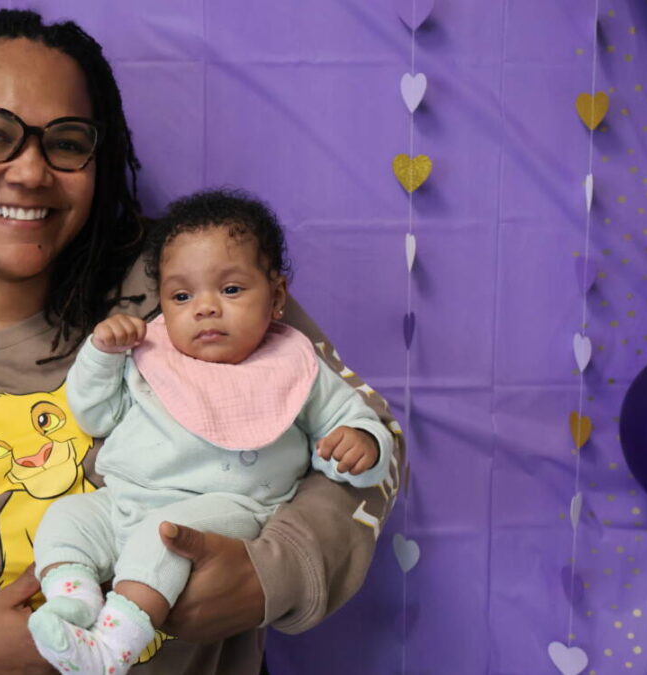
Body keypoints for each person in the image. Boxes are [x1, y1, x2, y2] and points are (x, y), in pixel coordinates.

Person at [0, 9, 405, 675]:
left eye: (65, 140)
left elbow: (370, 438)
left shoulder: (186, 285)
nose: (29, 172)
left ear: (97, 157)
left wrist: (270, 573)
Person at [27, 189, 394, 674]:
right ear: (161, 303)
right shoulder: (149, 353)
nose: (205, 308)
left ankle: (111, 647)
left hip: (225, 510)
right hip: (123, 501)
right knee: (67, 518)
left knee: (160, 543)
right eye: (182, 296)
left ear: (277, 296)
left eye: (231, 289)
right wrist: (102, 354)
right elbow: (95, 416)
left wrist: (360, 445)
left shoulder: (294, 366)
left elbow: (353, 421)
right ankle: (73, 603)